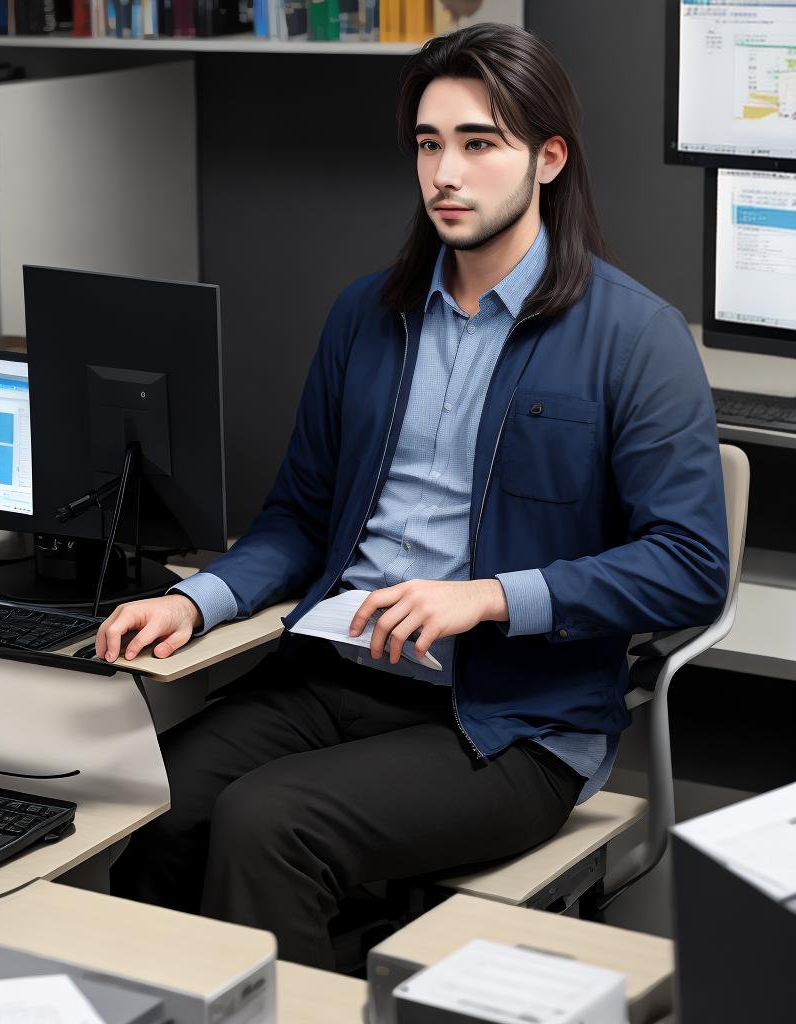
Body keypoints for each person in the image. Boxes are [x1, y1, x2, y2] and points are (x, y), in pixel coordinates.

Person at [102, 23, 729, 969]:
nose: (447, 172)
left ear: (548, 158)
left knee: (269, 826)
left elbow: (689, 569)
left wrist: (487, 598)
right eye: (430, 144)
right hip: (337, 669)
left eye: (480, 144)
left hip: (513, 722)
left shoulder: (635, 337)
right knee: (158, 803)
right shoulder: (368, 314)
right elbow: (300, 519)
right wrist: (195, 600)